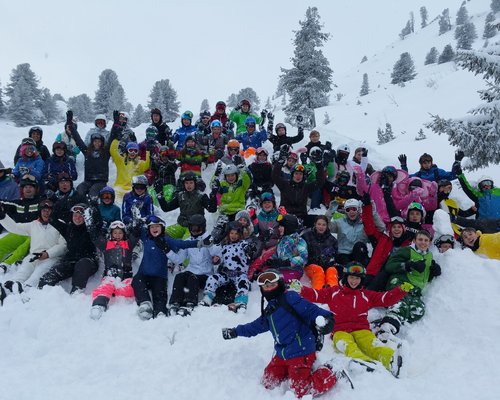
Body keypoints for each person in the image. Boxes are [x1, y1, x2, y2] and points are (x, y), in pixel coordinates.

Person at [222, 270, 343, 399]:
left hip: (301, 352)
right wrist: (236, 331)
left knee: (302, 391)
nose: (269, 288)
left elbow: (312, 310)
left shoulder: (291, 298)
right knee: (268, 381)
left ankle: (331, 370)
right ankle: (292, 371)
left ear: (279, 284)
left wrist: (327, 319)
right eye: (266, 286)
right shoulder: (270, 310)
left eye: (272, 285)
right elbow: (255, 327)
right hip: (282, 354)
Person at [290, 262, 410, 378]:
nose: (354, 281)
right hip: (340, 331)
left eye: (357, 278)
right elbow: (316, 295)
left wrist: (400, 290)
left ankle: (390, 360)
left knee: (372, 344)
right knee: (348, 346)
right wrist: (301, 289)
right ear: (346, 277)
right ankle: (363, 362)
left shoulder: (365, 295)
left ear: (361, 280)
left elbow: (385, 299)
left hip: (362, 330)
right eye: (351, 277)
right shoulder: (334, 292)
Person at [132, 215, 204, 320]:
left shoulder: (166, 240)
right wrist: (137, 224)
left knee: (160, 294)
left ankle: (160, 312)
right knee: (136, 280)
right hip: (143, 274)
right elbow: (136, 230)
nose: (154, 229)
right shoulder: (146, 238)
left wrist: (199, 243)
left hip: (159, 276)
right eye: (152, 227)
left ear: (162, 228)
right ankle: (145, 304)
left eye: (157, 226)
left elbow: (182, 244)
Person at [374, 230, 441, 342]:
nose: (423, 242)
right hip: (401, 281)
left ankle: (395, 320)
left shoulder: (429, 256)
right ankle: (386, 329)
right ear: (414, 240)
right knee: (401, 302)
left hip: (415, 289)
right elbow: (390, 265)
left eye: (426, 240)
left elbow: (422, 275)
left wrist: (433, 272)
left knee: (418, 310)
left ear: (429, 243)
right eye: (420, 239)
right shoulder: (407, 251)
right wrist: (408, 265)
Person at [0, 199, 67, 298]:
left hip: (51, 257)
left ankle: (26, 289)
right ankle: (10, 287)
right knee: (23, 272)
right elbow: (15, 227)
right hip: (34, 256)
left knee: (38, 274)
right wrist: (2, 217)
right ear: (40, 211)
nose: (46, 213)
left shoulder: (60, 224)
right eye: (44, 210)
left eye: (49, 210)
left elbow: (63, 245)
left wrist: (47, 254)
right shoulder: (34, 224)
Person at [86, 219, 140, 320]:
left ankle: (115, 291)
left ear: (124, 234)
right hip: (109, 276)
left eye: (120, 233)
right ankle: (99, 305)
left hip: (126, 277)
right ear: (111, 234)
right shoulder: (106, 245)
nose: (117, 235)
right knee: (105, 288)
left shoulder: (128, 245)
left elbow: (136, 235)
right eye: (115, 233)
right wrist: (91, 225)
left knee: (132, 288)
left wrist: (137, 222)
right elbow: (95, 237)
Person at [38, 204, 98, 293]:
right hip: (71, 260)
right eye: (75, 215)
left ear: (86, 218)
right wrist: (62, 203)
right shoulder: (68, 229)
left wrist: (91, 219)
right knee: (52, 275)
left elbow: (96, 234)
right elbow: (52, 219)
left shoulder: (91, 230)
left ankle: (76, 293)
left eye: (81, 216)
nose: (77, 218)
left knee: (82, 265)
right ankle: (40, 293)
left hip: (88, 261)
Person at [167, 214, 218, 316]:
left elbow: (216, 253)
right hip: (191, 270)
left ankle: (190, 302)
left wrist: (210, 245)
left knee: (192, 277)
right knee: (180, 276)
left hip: (205, 274)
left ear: (203, 227)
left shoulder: (209, 239)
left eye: (197, 229)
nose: (194, 231)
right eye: (192, 228)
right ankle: (175, 302)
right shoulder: (188, 241)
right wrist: (167, 251)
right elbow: (179, 259)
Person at [199, 221, 252, 312]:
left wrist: (249, 249)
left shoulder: (242, 244)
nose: (233, 236)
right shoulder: (225, 247)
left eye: (236, 234)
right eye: (231, 233)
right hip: (226, 274)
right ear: (228, 234)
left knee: (243, 282)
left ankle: (241, 301)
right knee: (212, 278)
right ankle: (208, 298)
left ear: (240, 235)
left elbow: (248, 249)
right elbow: (220, 259)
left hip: (239, 274)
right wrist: (217, 260)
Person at [272, 147, 325, 227]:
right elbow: (275, 176)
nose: (298, 176)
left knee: (319, 220)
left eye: (300, 174)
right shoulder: (285, 185)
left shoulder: (306, 187)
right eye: (296, 173)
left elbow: (320, 182)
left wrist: (319, 164)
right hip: (286, 217)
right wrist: (280, 161)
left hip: (302, 218)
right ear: (292, 175)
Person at [158, 172, 217, 239]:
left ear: (195, 183)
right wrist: (160, 195)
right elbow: (166, 208)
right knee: (162, 234)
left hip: (195, 228)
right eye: (186, 183)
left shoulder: (201, 196)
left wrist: (213, 195)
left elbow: (212, 209)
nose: (189, 185)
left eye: (191, 183)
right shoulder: (180, 195)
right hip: (181, 225)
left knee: (185, 242)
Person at [0, 175, 41, 271]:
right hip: (19, 232)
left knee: (23, 248)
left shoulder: (41, 202)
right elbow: (4, 203)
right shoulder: (17, 203)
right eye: (25, 187)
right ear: (22, 190)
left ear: (35, 189)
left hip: (35, 233)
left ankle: (6, 265)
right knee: (2, 243)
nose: (28, 189)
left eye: (30, 187)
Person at [261, 214, 307, 283]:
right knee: (265, 277)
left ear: (289, 227)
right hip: (281, 270)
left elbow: (303, 258)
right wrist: (270, 260)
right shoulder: (282, 240)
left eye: (282, 226)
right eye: (279, 226)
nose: (279, 228)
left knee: (277, 281)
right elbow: (277, 254)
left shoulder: (298, 240)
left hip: (294, 271)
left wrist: (286, 263)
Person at [72, 126, 112, 199]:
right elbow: (78, 140)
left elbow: (112, 138)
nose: (97, 143)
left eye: (99, 142)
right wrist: (71, 127)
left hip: (101, 182)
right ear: (92, 142)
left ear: (102, 143)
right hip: (88, 181)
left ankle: (92, 204)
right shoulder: (87, 152)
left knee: (93, 192)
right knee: (80, 189)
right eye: (95, 141)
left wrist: (116, 124)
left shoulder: (105, 153)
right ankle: (80, 204)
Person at [301, 215, 339, 290]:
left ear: (327, 226)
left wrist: (328, 259)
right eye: (319, 224)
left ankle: (333, 292)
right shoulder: (306, 236)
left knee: (332, 270)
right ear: (315, 224)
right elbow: (302, 252)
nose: (321, 227)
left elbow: (335, 255)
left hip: (326, 265)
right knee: (318, 270)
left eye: (324, 225)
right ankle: (318, 292)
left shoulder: (332, 240)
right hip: (311, 265)